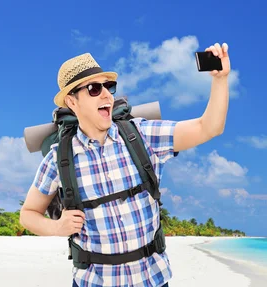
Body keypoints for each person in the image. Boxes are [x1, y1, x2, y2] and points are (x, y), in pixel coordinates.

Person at [19, 42, 231, 287]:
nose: (107, 94)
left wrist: (220, 80)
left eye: (109, 86)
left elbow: (209, 127)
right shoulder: (59, 158)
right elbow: (28, 214)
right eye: (94, 88)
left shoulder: (142, 136)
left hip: (152, 280)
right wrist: (57, 227)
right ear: (72, 102)